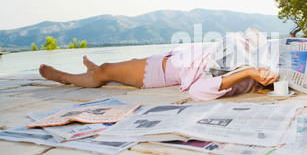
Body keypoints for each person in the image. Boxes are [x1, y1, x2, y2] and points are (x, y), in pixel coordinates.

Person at [39, 32, 279, 101]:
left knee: (105, 72)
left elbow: (197, 92)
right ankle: (92, 70)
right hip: (168, 58)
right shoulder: (257, 58)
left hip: (157, 73)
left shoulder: (241, 79)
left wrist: (248, 72)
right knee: (106, 68)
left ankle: (66, 78)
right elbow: (252, 34)